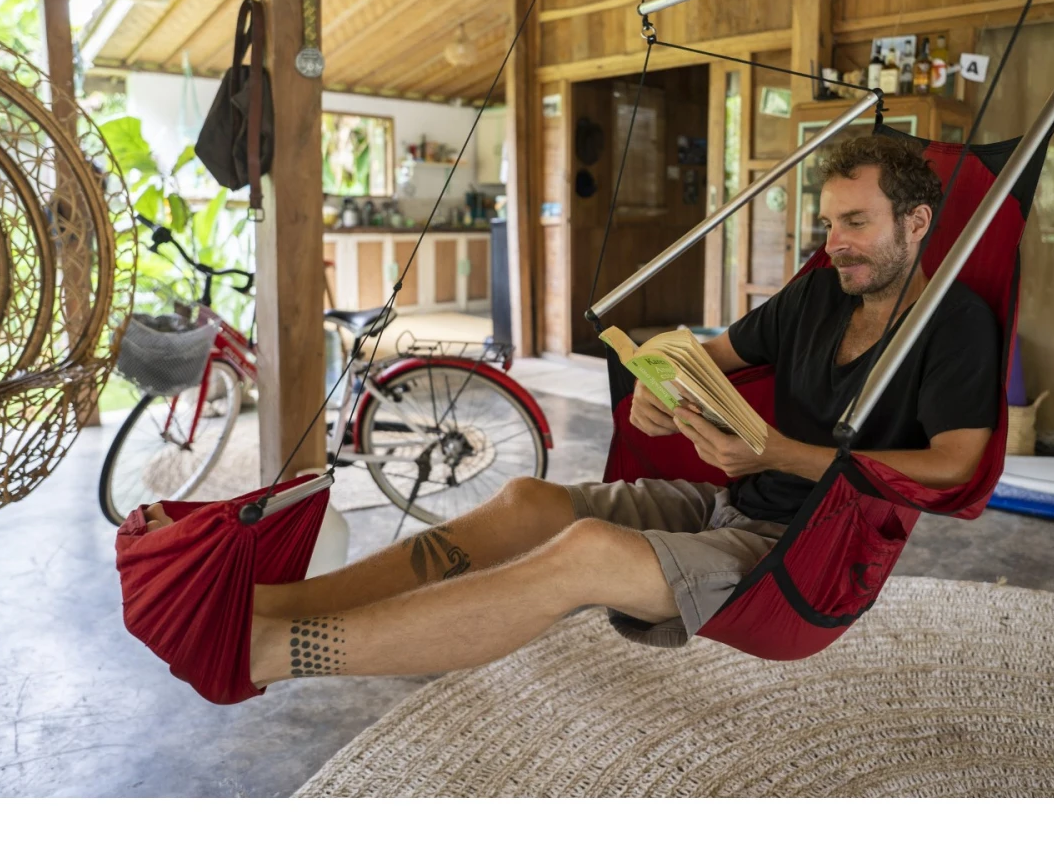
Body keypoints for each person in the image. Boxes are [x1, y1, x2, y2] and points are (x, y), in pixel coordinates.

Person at [139, 137, 1000, 696]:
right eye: (827, 223)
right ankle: (278, 603)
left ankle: (274, 653)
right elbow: (710, 357)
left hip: (801, 554)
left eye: (856, 223)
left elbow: (956, 467)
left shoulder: (955, 326)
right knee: (526, 502)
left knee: (582, 553)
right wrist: (666, 390)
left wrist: (777, 451)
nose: (833, 242)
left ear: (917, 223)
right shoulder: (817, 295)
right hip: (730, 503)